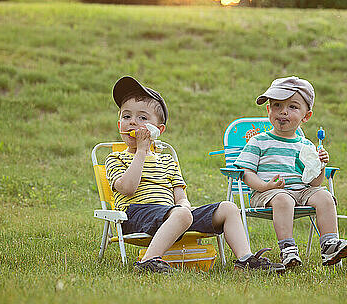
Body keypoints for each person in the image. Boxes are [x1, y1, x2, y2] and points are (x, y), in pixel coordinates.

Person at [105, 76, 285, 273]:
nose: (132, 122)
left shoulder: (167, 160)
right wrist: (140, 151)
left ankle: (245, 260)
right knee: (180, 213)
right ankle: (147, 261)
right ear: (119, 123)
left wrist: (184, 208)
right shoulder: (115, 159)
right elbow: (128, 188)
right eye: (126, 116)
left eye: (142, 118)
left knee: (228, 208)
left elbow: (181, 197)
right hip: (134, 215)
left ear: (158, 130)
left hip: (172, 214)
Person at [234, 76, 347, 268]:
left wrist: (320, 166)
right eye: (277, 105)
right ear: (268, 110)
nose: (283, 112)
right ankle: (288, 249)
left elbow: (313, 183)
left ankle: (329, 246)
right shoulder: (258, 141)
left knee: (324, 196)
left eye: (293, 107)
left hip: (301, 191)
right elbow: (247, 173)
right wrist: (265, 186)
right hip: (267, 194)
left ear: (306, 116)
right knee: (284, 198)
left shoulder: (306, 145)